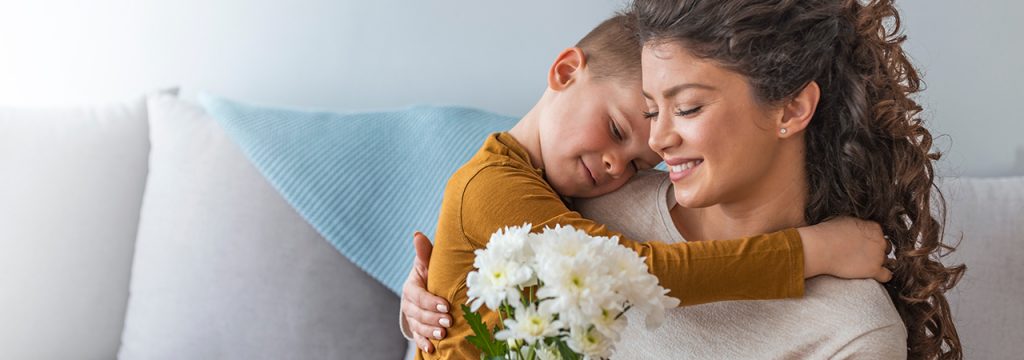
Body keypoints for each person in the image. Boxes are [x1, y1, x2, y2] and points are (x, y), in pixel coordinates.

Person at [404, 0, 966, 358]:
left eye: (688, 108)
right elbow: (622, 273)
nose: (654, 144)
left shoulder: (851, 333)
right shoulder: (583, 211)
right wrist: (423, 311)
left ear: (790, 111)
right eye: (646, 113)